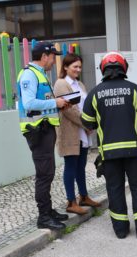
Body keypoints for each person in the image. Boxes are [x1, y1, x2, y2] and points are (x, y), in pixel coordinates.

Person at [81, 51, 137, 240]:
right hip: (134, 151)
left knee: (114, 189)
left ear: (103, 69)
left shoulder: (94, 94)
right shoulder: (134, 89)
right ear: (124, 67)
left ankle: (121, 230)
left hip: (109, 154)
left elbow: (87, 122)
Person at [17, 41, 69, 230]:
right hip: (37, 130)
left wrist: (59, 103)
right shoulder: (30, 74)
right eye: (53, 56)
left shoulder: (39, 74)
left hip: (44, 128)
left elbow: (43, 101)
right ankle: (44, 216)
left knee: (48, 172)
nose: (54, 61)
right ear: (44, 56)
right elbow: (30, 103)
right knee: (44, 174)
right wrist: (55, 102)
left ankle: (48, 211)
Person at [53, 53, 101, 215]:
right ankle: (71, 201)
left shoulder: (79, 84)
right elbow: (68, 109)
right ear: (65, 67)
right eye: (75, 67)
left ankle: (84, 196)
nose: (78, 70)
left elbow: (85, 105)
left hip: (82, 132)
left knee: (81, 166)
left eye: (80, 67)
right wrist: (86, 123)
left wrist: (90, 122)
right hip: (70, 132)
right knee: (71, 167)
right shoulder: (61, 84)